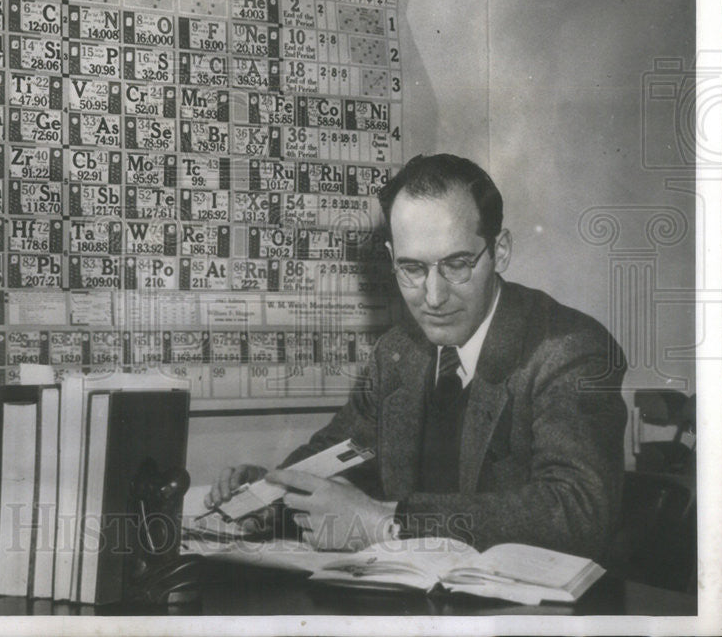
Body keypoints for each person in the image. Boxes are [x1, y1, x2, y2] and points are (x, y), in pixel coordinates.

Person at [205, 154, 627, 562]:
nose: (434, 297)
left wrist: (390, 524)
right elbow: (339, 452)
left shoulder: (569, 349)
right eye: (412, 269)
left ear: (500, 251)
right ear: (391, 260)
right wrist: (268, 492)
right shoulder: (397, 352)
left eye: (457, 264)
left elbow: (578, 512)